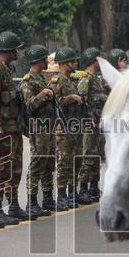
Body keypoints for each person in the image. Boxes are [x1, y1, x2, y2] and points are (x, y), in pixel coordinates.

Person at [0, 31, 27, 225]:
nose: (17, 52)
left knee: (15, 168)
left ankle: (13, 205)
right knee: (2, 168)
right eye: (15, 49)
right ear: (9, 50)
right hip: (3, 129)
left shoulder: (8, 70)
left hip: (14, 127)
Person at [20, 44, 56, 217]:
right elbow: (30, 105)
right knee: (37, 162)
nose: (47, 62)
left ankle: (48, 198)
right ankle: (31, 202)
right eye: (45, 59)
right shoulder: (28, 80)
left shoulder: (41, 78)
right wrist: (45, 94)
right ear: (39, 60)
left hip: (48, 127)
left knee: (49, 163)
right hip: (38, 127)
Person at [50, 47, 84, 210]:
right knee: (64, 162)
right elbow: (53, 104)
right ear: (63, 63)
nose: (75, 63)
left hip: (74, 127)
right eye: (72, 61)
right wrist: (70, 98)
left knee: (75, 160)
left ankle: (72, 192)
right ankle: (62, 195)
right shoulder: (57, 81)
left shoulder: (71, 81)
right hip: (63, 129)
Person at [75, 47, 107, 203]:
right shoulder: (86, 78)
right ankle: (83, 188)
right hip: (89, 122)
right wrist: (89, 117)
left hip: (98, 122)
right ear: (94, 61)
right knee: (88, 154)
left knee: (96, 155)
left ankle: (94, 186)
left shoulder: (96, 78)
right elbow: (80, 101)